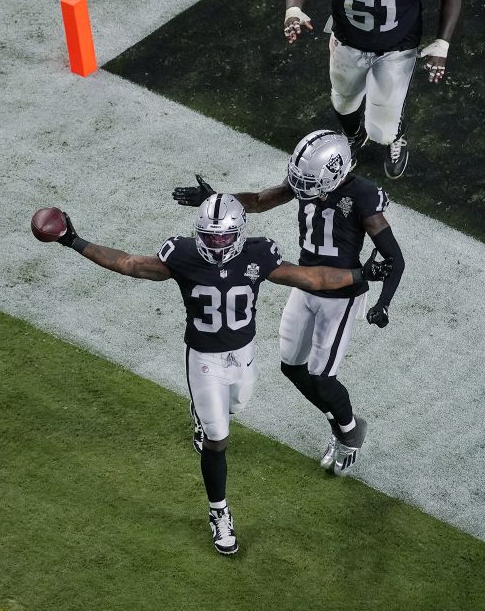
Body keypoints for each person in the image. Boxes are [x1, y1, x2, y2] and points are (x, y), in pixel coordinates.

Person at [45, 194, 386, 555]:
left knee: (235, 406)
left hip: (243, 357)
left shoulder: (259, 254)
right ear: (198, 233)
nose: (216, 243)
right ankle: (219, 512)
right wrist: (72, 239)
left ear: (239, 233)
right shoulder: (182, 254)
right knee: (218, 438)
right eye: (209, 236)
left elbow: (311, 278)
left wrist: (362, 274)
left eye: (224, 237)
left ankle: (205, 418)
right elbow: (130, 264)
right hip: (203, 360)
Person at [173, 130, 406, 477]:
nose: (300, 188)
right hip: (306, 282)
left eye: (308, 181)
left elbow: (394, 258)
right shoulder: (310, 182)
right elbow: (259, 200)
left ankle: (349, 432)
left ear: (334, 171)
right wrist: (218, 200)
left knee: (323, 377)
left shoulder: (362, 195)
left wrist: (384, 302)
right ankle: (337, 421)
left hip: (341, 295)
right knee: (291, 366)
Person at [283, 0, 463, 179]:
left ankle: (397, 133)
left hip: (396, 46)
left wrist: (442, 43)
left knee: (383, 128)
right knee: (343, 101)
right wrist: (293, 10)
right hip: (347, 38)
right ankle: (354, 138)